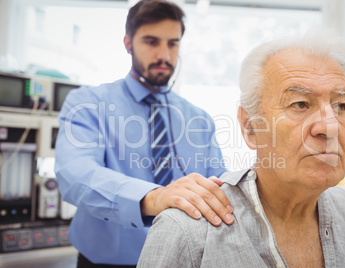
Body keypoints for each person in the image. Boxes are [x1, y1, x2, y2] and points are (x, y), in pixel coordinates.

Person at [137, 29, 345, 267]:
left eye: (341, 105)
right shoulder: (188, 232)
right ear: (251, 128)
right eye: (300, 104)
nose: (330, 127)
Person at [54, 0, 234, 266]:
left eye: (172, 43)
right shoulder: (87, 103)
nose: (165, 55)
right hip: (106, 262)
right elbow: (76, 175)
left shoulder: (199, 119)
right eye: (152, 42)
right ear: (128, 44)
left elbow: (218, 187)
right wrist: (153, 198)